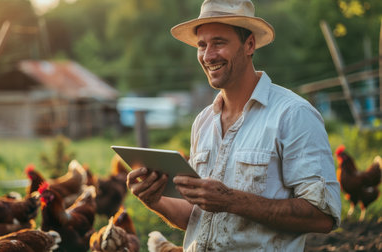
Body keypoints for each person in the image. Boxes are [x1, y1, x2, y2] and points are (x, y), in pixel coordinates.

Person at [126, 0, 342, 251]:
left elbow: (322, 215)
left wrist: (231, 201)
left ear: (249, 44)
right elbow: (198, 218)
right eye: (202, 45)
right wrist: (156, 201)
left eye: (219, 42)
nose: (208, 56)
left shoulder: (293, 114)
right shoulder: (203, 121)